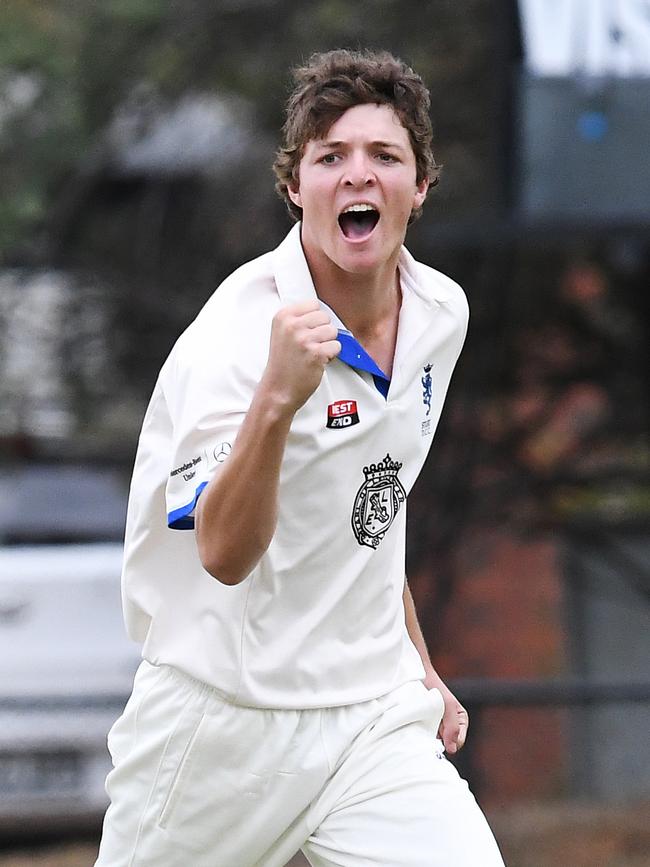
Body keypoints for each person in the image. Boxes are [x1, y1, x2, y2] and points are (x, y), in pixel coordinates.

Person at [95, 49, 505, 867]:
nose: (358, 175)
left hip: (370, 721)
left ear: (419, 188)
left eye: (385, 156)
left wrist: (416, 662)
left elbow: (371, 511)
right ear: (295, 188)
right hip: (223, 723)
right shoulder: (238, 338)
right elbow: (223, 552)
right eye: (331, 157)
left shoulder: (440, 314)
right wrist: (277, 401)